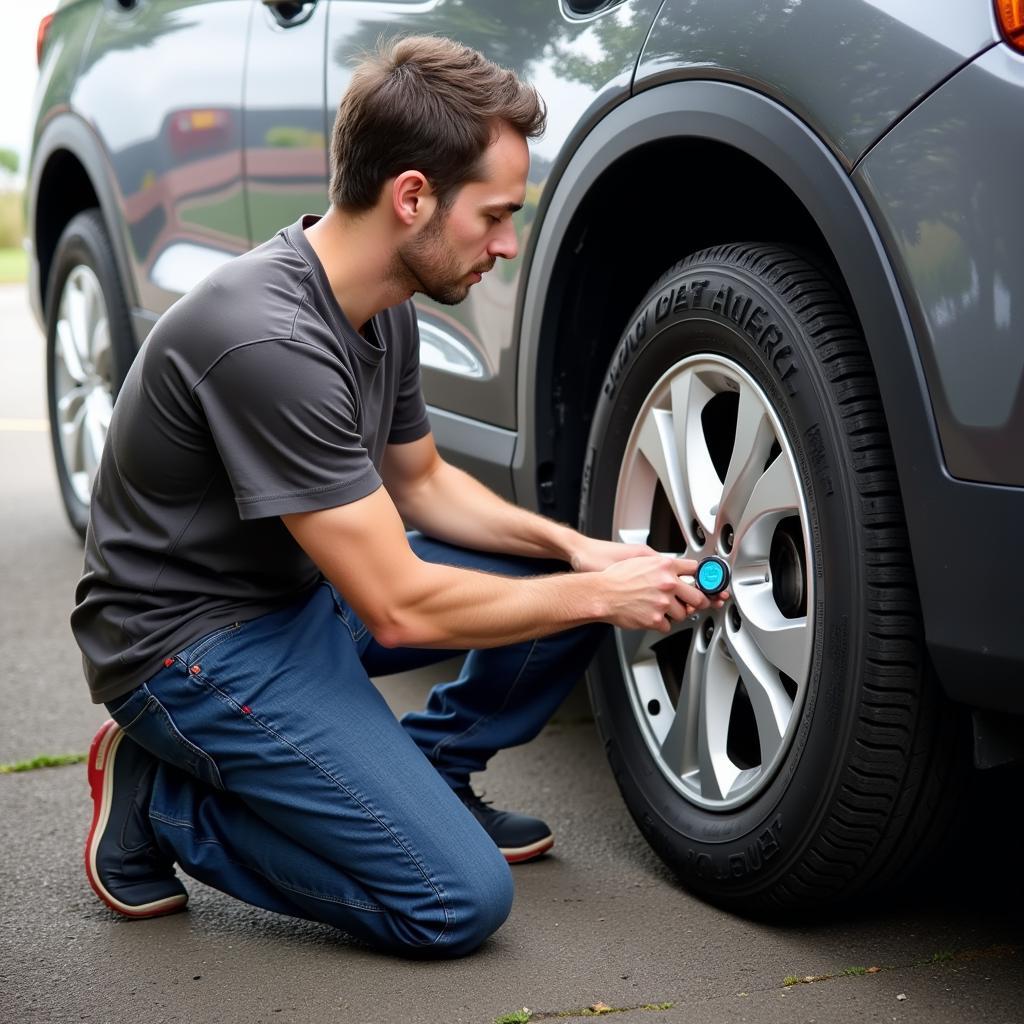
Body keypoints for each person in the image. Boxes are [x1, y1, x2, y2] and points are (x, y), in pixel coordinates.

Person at [72, 35, 724, 958]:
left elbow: (419, 482)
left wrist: (583, 556)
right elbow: (401, 606)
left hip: (296, 592)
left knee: (560, 568)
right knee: (455, 899)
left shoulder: (379, 303)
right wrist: (600, 594)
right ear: (412, 196)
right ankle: (162, 803)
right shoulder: (267, 339)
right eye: (495, 215)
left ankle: (428, 772)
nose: (506, 244)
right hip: (189, 647)